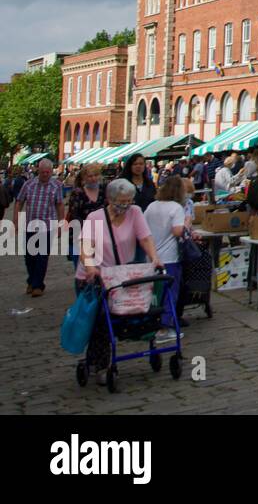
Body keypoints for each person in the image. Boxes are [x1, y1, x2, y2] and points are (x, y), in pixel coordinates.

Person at [79, 179, 163, 385]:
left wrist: (154, 258)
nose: (125, 206)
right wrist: (90, 267)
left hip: (121, 275)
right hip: (96, 275)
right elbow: (86, 246)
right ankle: (100, 365)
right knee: (100, 322)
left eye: (129, 201)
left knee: (126, 316)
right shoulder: (95, 218)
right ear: (109, 199)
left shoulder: (135, 213)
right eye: (120, 202)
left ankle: (94, 360)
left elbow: (145, 238)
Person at [12, 158, 66, 297]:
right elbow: (19, 202)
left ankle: (37, 286)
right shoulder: (29, 184)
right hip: (30, 225)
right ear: (38, 170)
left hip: (47, 226)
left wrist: (61, 224)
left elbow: (60, 205)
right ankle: (31, 280)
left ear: (51, 171)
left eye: (48, 172)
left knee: (42, 256)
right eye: (43, 172)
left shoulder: (57, 186)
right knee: (29, 256)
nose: (45, 174)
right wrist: (15, 220)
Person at [144, 176, 189, 331]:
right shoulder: (176, 208)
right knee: (170, 293)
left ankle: (153, 324)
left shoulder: (152, 206)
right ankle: (167, 325)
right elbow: (177, 231)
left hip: (152, 256)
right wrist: (187, 228)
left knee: (154, 294)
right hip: (169, 256)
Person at [65, 162, 107, 268]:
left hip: (101, 235)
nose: (93, 178)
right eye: (90, 176)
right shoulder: (78, 193)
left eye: (96, 175)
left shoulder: (104, 191)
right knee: (81, 268)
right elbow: (75, 216)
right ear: (84, 177)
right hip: (80, 235)